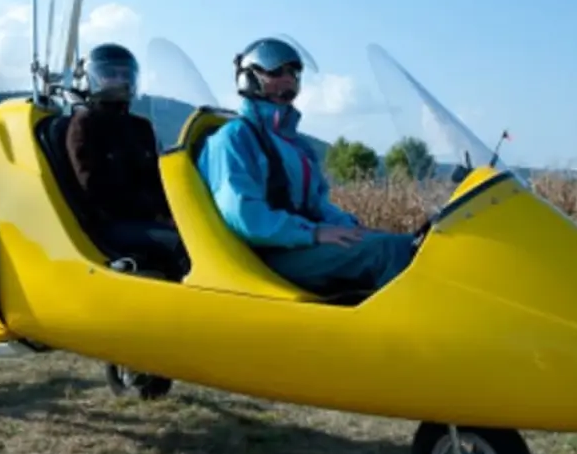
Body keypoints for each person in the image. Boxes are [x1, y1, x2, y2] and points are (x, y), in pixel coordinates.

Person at [197, 36, 416, 297]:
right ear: (249, 77)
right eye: (276, 70)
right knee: (387, 252)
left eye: (293, 71)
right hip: (267, 254)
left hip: (297, 243)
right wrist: (313, 233)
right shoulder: (233, 139)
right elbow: (245, 215)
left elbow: (317, 204)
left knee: (410, 245)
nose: (288, 78)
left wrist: (351, 227)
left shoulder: (295, 144)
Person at [65, 42, 185, 276]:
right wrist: (156, 215)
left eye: (125, 74)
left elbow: (158, 179)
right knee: (180, 243)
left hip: (148, 219)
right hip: (110, 224)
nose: (120, 80)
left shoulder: (141, 127)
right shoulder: (85, 125)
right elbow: (96, 189)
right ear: (92, 78)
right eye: (110, 74)